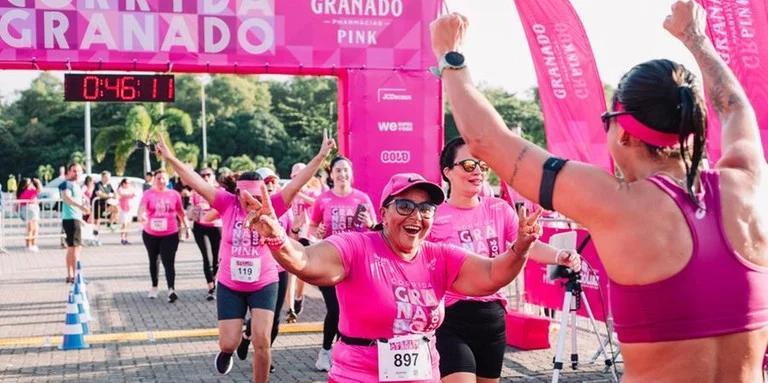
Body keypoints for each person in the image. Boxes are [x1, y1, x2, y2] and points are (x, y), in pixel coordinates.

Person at [430, 2, 768, 381]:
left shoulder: (615, 203)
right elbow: (736, 107)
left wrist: (450, 56)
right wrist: (696, 39)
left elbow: (487, 141)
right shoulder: (749, 184)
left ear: (622, 131)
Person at [246, 172, 539, 382]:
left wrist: (520, 248)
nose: (416, 215)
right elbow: (305, 261)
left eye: (426, 209)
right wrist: (278, 238)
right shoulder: (356, 248)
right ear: (384, 214)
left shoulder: (440, 256)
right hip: (358, 376)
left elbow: (492, 274)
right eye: (405, 206)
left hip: (423, 375)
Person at [154, 133, 336, 383]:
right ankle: (228, 351)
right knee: (228, 342)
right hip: (230, 284)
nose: (251, 202)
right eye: (246, 197)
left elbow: (296, 184)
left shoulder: (273, 205)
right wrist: (170, 157)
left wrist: (321, 156)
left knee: (262, 340)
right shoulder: (227, 203)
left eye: (256, 197)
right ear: (237, 193)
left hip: (264, 282)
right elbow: (195, 181)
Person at [431, 137, 580, 383]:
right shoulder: (435, 218)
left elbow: (525, 246)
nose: (477, 171)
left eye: (482, 165)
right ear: (447, 172)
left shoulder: (498, 209)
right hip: (451, 318)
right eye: (468, 165)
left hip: (492, 318)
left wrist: (559, 256)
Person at [308, 155, 377, 372]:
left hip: (356, 263)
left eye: (346, 170)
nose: (342, 174)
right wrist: (316, 234)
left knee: (351, 310)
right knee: (335, 309)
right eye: (338, 170)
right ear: (331, 174)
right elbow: (311, 230)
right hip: (329, 261)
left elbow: (375, 230)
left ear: (351, 174)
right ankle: (325, 351)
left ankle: (342, 355)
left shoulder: (362, 199)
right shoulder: (323, 200)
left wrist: (370, 223)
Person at [137, 169, 188, 303]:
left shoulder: (174, 194)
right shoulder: (148, 194)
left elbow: (181, 212)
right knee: (153, 261)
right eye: (158, 178)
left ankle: (171, 289)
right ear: (154, 179)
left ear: (168, 180)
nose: (161, 181)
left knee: (168, 261)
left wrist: (186, 227)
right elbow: (141, 208)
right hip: (151, 233)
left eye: (163, 178)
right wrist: (141, 215)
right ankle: (154, 287)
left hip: (170, 233)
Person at [285, 162, 323, 322]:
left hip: (308, 236)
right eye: (295, 176)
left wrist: (299, 193)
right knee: (290, 272)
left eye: (301, 175)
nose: (298, 178)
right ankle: (290, 308)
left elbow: (318, 204)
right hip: (291, 235)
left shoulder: (313, 192)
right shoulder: (287, 191)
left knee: (302, 273)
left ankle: (299, 297)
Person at [188, 167, 223, 301]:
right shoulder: (196, 191)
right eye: (203, 175)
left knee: (216, 258)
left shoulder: (220, 191)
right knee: (207, 258)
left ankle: (217, 282)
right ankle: (211, 287)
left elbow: (225, 208)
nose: (206, 177)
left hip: (217, 227)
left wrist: (212, 210)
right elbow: (190, 210)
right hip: (200, 227)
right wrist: (194, 210)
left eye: (208, 175)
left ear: (214, 176)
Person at [59, 163, 89, 283]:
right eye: (74, 171)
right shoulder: (67, 184)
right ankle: (76, 276)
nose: (76, 173)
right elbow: (66, 198)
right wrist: (80, 207)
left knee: (73, 247)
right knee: (75, 248)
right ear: (69, 172)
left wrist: (81, 216)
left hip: (74, 218)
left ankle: (71, 275)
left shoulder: (77, 185)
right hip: (70, 219)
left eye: (79, 171)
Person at [17, 177, 42, 252]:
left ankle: (30, 245)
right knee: (32, 229)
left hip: (29, 210)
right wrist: (38, 182)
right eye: (30, 182)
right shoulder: (29, 190)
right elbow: (39, 190)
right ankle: (31, 245)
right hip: (30, 210)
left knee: (31, 228)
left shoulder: (22, 192)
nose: (31, 183)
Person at [117, 179, 136, 245]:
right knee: (124, 224)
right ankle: (122, 238)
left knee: (128, 224)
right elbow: (122, 194)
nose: (128, 184)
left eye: (129, 183)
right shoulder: (120, 189)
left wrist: (130, 195)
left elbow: (134, 194)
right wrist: (130, 195)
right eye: (127, 183)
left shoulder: (130, 188)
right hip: (123, 208)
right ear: (123, 183)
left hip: (129, 208)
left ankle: (126, 238)